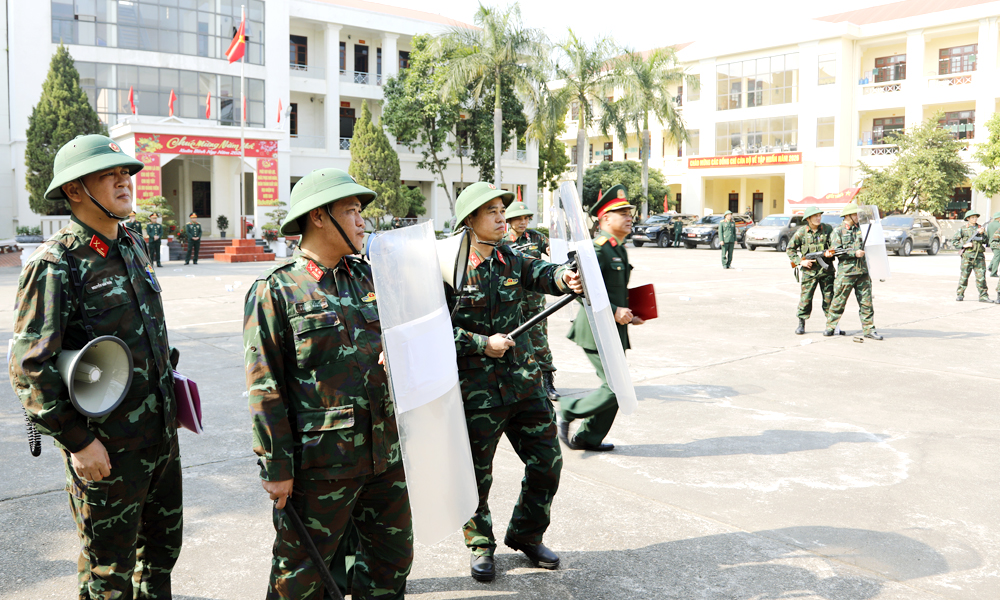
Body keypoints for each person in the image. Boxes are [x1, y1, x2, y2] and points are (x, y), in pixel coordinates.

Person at [9, 134, 182, 598]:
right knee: (110, 574)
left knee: (161, 557)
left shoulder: (132, 242)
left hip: (160, 439)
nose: (124, 179)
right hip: (107, 451)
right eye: (110, 174)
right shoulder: (56, 263)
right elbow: (29, 368)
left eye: (126, 171)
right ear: (74, 190)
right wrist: (79, 442)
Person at [243, 168, 412, 600]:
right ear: (319, 217)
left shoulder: (370, 277)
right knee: (301, 577)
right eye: (352, 211)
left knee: (391, 563)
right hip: (321, 466)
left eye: (360, 212)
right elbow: (265, 388)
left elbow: (406, 338)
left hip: (385, 455)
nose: (362, 221)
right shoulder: (276, 290)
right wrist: (277, 468)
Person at [446, 182, 582, 583]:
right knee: (475, 477)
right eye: (492, 212)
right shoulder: (446, 267)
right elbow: (429, 329)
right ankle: (480, 546)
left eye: (502, 210)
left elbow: (543, 274)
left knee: (547, 462)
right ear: (469, 221)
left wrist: (566, 277)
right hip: (476, 393)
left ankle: (526, 534)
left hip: (523, 384)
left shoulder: (510, 257)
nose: (502, 217)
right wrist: (477, 343)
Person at [560, 185, 643, 453]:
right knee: (615, 386)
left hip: (614, 328)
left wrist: (630, 312)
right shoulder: (598, 249)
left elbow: (611, 289)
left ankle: (588, 438)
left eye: (629, 212)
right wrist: (616, 309)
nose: (629, 217)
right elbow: (580, 286)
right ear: (605, 218)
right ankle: (569, 409)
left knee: (619, 387)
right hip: (595, 329)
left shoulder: (618, 248)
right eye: (622, 212)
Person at [503, 200, 560, 401]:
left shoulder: (535, 237)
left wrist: (557, 253)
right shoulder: (502, 240)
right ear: (509, 220)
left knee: (539, 340)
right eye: (518, 218)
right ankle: (518, 382)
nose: (523, 222)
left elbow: (555, 250)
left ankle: (547, 380)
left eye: (526, 218)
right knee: (511, 341)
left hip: (534, 301)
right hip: (511, 300)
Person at [824, 203, 882, 339]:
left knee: (866, 303)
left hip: (863, 272)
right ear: (848, 216)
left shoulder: (861, 229)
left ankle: (869, 330)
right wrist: (853, 253)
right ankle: (830, 327)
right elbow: (836, 251)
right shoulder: (838, 231)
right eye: (856, 214)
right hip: (846, 273)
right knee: (838, 301)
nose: (858, 217)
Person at [787, 207, 835, 335]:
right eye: (815, 216)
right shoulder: (802, 232)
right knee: (806, 299)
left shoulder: (827, 229)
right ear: (808, 219)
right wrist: (800, 261)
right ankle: (801, 324)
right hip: (809, 272)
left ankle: (831, 326)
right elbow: (790, 249)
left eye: (820, 216)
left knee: (829, 299)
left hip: (826, 271)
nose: (818, 218)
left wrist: (831, 253)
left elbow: (834, 245)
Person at [953, 210, 992, 303]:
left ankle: (983, 296)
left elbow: (986, 242)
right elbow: (954, 241)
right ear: (968, 219)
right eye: (973, 217)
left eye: (976, 217)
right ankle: (960, 294)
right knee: (964, 276)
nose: (975, 219)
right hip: (967, 257)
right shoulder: (963, 229)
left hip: (979, 257)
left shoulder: (980, 228)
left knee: (981, 277)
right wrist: (964, 245)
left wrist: (982, 234)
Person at [986, 211, 1000, 278]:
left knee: (996, 256)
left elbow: (988, 234)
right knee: (997, 258)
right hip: (998, 243)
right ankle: (993, 273)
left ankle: (990, 266)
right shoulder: (999, 225)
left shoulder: (989, 224)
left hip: (991, 243)